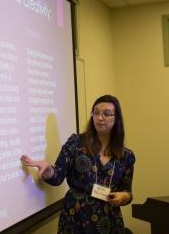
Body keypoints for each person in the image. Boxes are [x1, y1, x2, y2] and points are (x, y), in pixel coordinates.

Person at [21, 95, 135, 234]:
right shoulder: (76, 143)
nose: (100, 117)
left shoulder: (126, 156)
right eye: (96, 112)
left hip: (108, 219)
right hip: (76, 216)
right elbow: (56, 176)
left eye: (106, 114)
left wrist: (124, 197)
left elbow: (127, 191)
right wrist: (47, 169)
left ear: (116, 118)